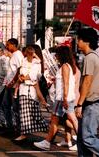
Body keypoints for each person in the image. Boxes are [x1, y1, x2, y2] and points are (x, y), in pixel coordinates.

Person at [34, 46, 78, 151]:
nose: (55, 56)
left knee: (56, 120)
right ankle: (82, 140)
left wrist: (65, 99)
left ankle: (47, 142)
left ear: (61, 55)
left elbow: (66, 84)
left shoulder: (65, 67)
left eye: (57, 54)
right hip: (65, 98)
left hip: (62, 98)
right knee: (69, 120)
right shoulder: (66, 66)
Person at [13, 46, 47, 142]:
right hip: (23, 89)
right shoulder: (23, 61)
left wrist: (24, 78)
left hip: (32, 90)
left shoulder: (37, 63)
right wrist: (20, 77)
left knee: (35, 114)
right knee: (24, 113)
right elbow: (21, 73)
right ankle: (24, 133)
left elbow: (34, 76)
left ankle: (48, 128)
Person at [75, 28, 99, 157]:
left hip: (91, 103)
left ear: (86, 42)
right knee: (82, 142)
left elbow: (87, 82)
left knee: (88, 139)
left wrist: (79, 104)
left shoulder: (89, 58)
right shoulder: (93, 56)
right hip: (91, 103)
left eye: (79, 39)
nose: (77, 42)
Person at [4, 38, 24, 131]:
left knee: (15, 108)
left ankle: (18, 128)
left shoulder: (18, 54)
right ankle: (10, 126)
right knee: (6, 105)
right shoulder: (14, 55)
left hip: (14, 86)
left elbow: (20, 69)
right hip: (9, 85)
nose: (7, 47)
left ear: (13, 45)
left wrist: (12, 82)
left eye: (8, 45)